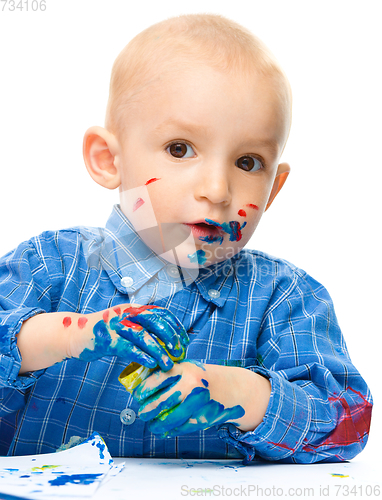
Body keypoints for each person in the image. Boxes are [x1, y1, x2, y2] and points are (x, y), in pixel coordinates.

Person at [0, 13, 372, 463]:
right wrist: (70, 335)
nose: (217, 190)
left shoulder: (285, 298)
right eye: (180, 149)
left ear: (273, 189)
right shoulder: (48, 264)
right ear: (107, 160)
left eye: (249, 162)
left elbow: (349, 424)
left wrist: (241, 393)